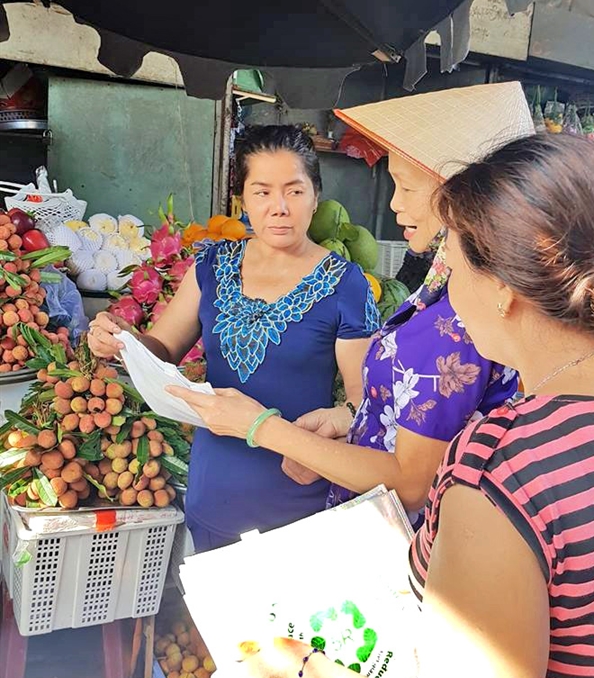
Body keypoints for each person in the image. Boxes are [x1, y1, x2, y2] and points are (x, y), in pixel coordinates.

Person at [202, 133, 594, 678]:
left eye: (456, 261)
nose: (445, 289)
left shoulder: (501, 468)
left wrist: (298, 671)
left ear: (502, 285)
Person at [168, 82, 534, 519]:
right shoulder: (445, 295)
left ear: (462, 199)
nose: (394, 203)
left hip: (403, 526)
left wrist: (262, 427)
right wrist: (347, 419)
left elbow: (412, 482)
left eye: (407, 186)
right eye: (262, 191)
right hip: (247, 491)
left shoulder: (464, 317)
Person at [87, 125, 377, 550]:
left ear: (316, 196)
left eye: (294, 191)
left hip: (300, 504)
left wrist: (339, 425)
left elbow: (364, 404)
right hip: (214, 492)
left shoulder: (345, 284)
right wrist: (124, 343)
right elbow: (163, 347)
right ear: (242, 199)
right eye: (262, 192)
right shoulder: (213, 266)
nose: (279, 208)